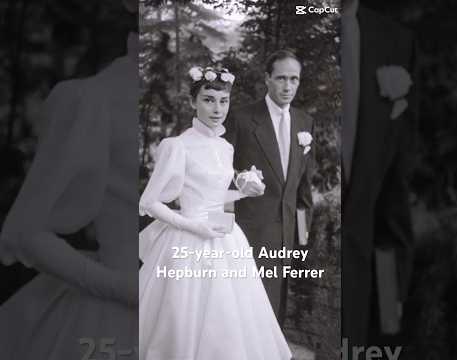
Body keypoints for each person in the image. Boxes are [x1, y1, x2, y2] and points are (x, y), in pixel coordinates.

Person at [0, 2, 140, 355]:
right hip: (117, 311)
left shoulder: (210, 103)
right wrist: (122, 288)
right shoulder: (95, 99)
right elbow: (25, 232)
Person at [138, 66, 292, 360]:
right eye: (208, 99)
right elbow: (149, 202)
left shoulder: (224, 147)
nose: (217, 108)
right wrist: (193, 227)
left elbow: (213, 196)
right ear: (193, 102)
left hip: (224, 236)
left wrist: (242, 192)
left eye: (223, 101)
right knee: (182, 316)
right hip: (188, 239)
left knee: (229, 315)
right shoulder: (177, 146)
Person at [341, 0, 416, 352]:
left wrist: (388, 316)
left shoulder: (395, 43)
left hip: (352, 311)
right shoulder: (276, 25)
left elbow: (390, 200)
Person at [224, 50, 315, 327]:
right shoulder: (240, 119)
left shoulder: (305, 123)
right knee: (247, 314)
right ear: (267, 79)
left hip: (287, 236)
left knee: (275, 315)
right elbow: (220, 175)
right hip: (248, 233)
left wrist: (302, 237)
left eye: (294, 79)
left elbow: (304, 190)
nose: (288, 86)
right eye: (281, 78)